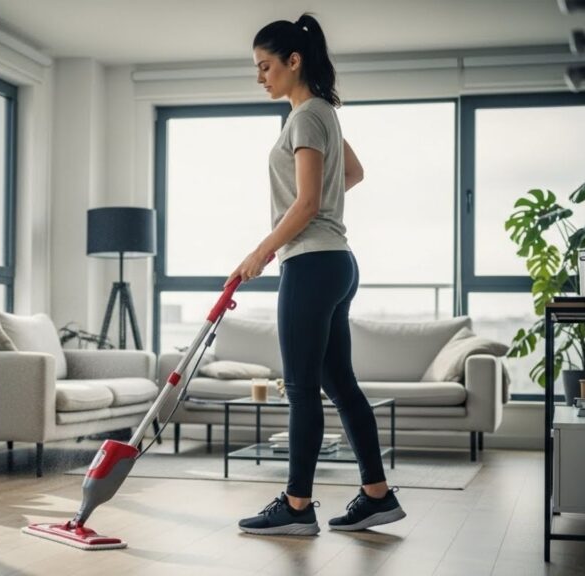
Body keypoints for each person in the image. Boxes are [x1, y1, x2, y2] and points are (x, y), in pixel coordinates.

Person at [228, 13, 406, 536]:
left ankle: (297, 507)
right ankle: (377, 495)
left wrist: (260, 252)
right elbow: (352, 174)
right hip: (338, 262)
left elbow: (306, 202)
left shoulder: (305, 117)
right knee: (338, 384)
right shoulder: (325, 113)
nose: (260, 76)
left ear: (293, 60)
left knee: (302, 389)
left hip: (310, 262)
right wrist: (319, 209)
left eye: (265, 66)